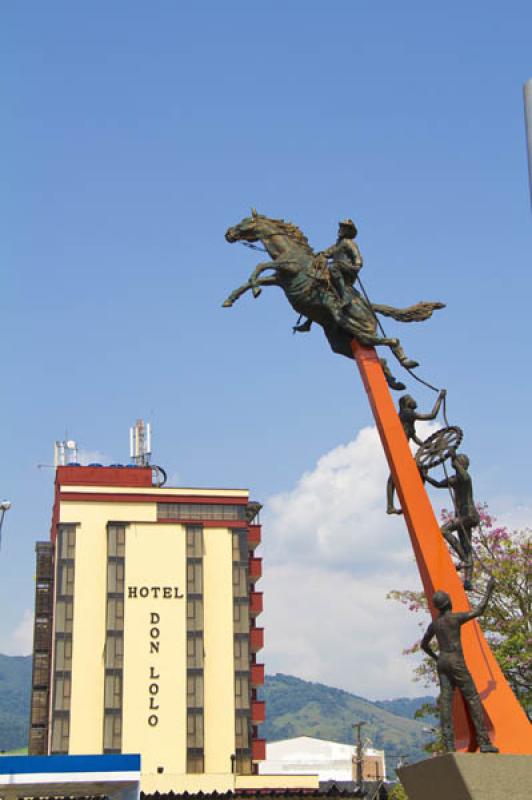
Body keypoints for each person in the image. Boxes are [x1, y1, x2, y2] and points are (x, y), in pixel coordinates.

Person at [421, 579, 499, 753]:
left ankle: (449, 746)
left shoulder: (435, 624)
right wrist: (489, 589)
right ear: (449, 603)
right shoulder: (455, 618)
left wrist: (436, 657)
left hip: (442, 662)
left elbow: (424, 645)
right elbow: (479, 610)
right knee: (473, 698)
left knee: (446, 702)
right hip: (456, 661)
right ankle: (484, 741)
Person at [293, 219, 362, 333]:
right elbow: (327, 253)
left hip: (347, 271)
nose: (340, 229)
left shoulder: (349, 243)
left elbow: (358, 258)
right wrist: (317, 256)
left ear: (348, 231)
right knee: (318, 285)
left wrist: (356, 266)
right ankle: (308, 323)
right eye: (340, 227)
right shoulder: (338, 243)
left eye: (344, 228)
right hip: (336, 269)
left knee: (332, 267)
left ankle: (345, 296)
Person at [423, 453, 479, 590]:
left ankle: (464, 561)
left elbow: (463, 475)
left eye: (458, 462)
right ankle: (468, 581)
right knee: (466, 546)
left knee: (444, 530)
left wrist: (453, 457)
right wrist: (425, 476)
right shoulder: (455, 480)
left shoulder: (465, 478)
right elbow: (437, 484)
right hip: (463, 516)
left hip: (468, 514)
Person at [386, 390, 446, 515]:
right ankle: (393, 505)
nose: (414, 400)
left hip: (401, 448)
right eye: (411, 399)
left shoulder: (407, 418)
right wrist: (439, 399)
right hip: (399, 448)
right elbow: (431, 416)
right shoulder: (407, 413)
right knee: (404, 473)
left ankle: (394, 504)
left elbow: (415, 439)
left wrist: (430, 446)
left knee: (405, 473)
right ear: (407, 403)